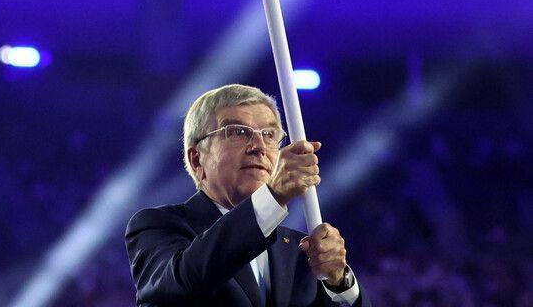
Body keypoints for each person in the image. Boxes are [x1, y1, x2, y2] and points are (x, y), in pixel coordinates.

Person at [125, 84, 367, 306]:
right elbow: (182, 284)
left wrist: (339, 282)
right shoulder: (156, 227)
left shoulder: (302, 251)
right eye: (238, 131)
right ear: (197, 159)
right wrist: (273, 196)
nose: (259, 146)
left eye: (269, 135)